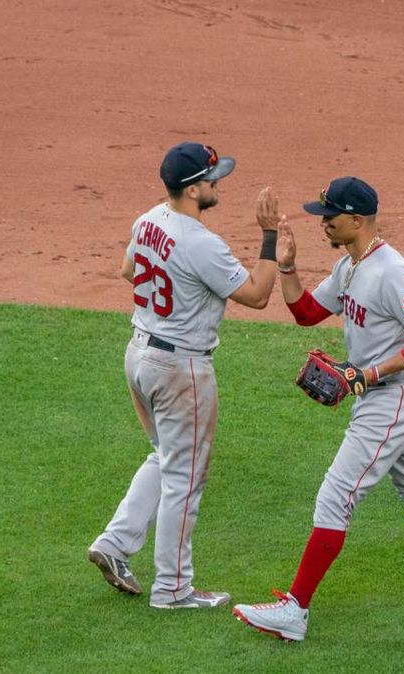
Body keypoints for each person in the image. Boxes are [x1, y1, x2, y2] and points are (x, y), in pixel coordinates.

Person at [232, 176, 404, 642]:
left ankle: (295, 610)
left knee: (337, 493)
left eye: (330, 217)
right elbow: (307, 314)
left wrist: (368, 374)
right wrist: (289, 267)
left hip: (394, 397)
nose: (324, 224)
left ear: (356, 220)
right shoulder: (350, 266)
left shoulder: (392, 272)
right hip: (383, 396)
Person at [87, 142, 283, 608]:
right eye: (213, 178)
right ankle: (173, 588)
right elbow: (256, 295)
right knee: (185, 477)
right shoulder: (202, 244)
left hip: (139, 354)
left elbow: (127, 271)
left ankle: (114, 544)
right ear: (194, 189)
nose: (219, 184)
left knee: (164, 456)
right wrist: (270, 237)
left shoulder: (149, 219)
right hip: (181, 369)